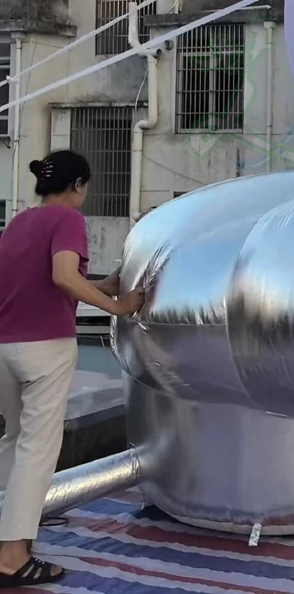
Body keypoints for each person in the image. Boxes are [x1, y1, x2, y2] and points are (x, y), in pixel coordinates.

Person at [0, 151, 144, 588]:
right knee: (37, 452)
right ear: (78, 185)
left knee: (14, 441)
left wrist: (103, 285)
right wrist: (118, 307)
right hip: (45, 349)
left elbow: (44, 282)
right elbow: (64, 276)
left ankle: (5, 534)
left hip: (6, 346)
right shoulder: (67, 220)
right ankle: (11, 557)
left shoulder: (19, 223)